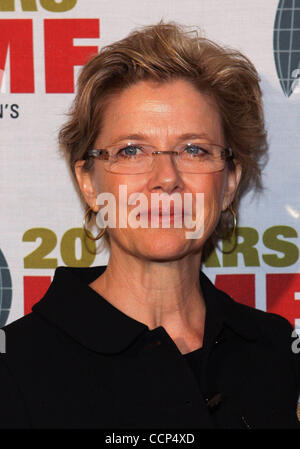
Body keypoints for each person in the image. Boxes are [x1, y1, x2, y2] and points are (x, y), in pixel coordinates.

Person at [1, 21, 299, 429]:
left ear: (229, 183)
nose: (166, 177)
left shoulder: (277, 351)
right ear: (89, 182)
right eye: (131, 150)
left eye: (194, 149)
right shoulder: (16, 366)